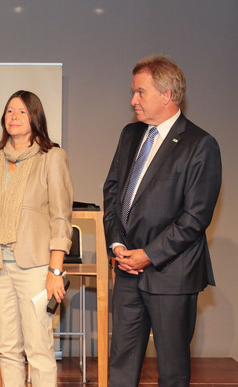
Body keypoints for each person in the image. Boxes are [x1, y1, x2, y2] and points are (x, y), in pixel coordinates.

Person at [103, 54, 222, 386]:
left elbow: (195, 217)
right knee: (121, 368)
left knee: (172, 371)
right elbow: (112, 192)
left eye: (140, 92)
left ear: (167, 94)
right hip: (127, 270)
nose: (133, 101)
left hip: (172, 275)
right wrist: (117, 245)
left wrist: (149, 254)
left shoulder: (200, 145)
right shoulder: (130, 135)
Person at [0, 90, 73, 386]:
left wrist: (55, 271)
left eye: (22, 112)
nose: (14, 117)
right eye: (10, 111)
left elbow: (61, 219)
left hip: (36, 268)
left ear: (35, 118)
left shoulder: (52, 158)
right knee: (8, 348)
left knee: (39, 349)